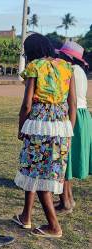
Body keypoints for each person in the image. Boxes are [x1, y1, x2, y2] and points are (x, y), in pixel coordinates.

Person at [13, 34, 77, 237]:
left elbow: (27, 104)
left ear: (31, 51)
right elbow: (72, 104)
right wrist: (69, 130)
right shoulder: (67, 67)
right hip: (61, 124)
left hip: (39, 123)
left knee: (39, 173)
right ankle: (26, 217)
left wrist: (21, 127)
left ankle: (54, 226)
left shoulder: (34, 66)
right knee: (38, 170)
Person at [55, 41, 91, 213]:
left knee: (63, 158)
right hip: (83, 116)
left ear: (66, 56)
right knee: (67, 160)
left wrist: (69, 123)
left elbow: (71, 100)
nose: (58, 56)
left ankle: (66, 202)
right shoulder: (81, 71)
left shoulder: (67, 70)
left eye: (61, 54)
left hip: (73, 115)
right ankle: (68, 198)